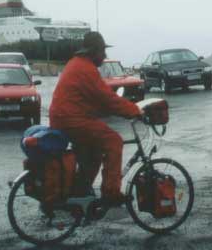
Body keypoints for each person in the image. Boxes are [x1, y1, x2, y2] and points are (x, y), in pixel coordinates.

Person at [48, 32, 142, 206]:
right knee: (114, 141)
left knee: (95, 153)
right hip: (71, 120)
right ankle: (111, 193)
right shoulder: (85, 69)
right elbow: (107, 99)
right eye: (102, 51)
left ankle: (79, 194)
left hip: (64, 118)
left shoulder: (76, 64)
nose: (104, 56)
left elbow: (94, 99)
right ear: (93, 51)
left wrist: (111, 109)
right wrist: (136, 111)